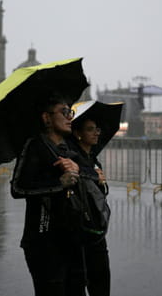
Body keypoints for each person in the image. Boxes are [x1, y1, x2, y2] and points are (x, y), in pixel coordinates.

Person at [11, 94, 86, 296]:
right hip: (44, 241)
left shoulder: (70, 148)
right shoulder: (34, 146)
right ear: (46, 118)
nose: (70, 116)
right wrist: (58, 183)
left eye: (70, 111)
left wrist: (79, 169)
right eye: (64, 112)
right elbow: (18, 188)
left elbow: (90, 178)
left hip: (73, 237)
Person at [69, 117, 111, 296]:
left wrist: (101, 183)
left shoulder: (93, 159)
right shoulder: (72, 158)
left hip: (97, 230)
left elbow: (100, 195)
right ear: (78, 134)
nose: (96, 133)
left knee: (101, 284)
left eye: (97, 129)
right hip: (81, 230)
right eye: (90, 129)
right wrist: (93, 177)